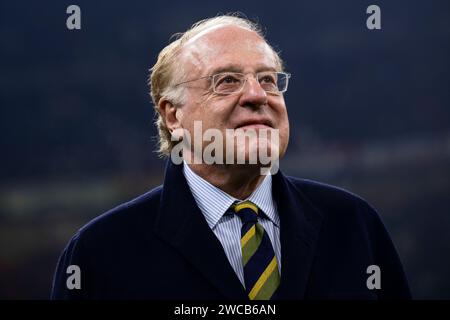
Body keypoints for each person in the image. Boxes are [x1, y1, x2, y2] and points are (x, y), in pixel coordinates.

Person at [51, 14, 411, 300]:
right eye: (226, 81)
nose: (258, 95)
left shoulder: (353, 224)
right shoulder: (101, 254)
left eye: (268, 79)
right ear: (173, 116)